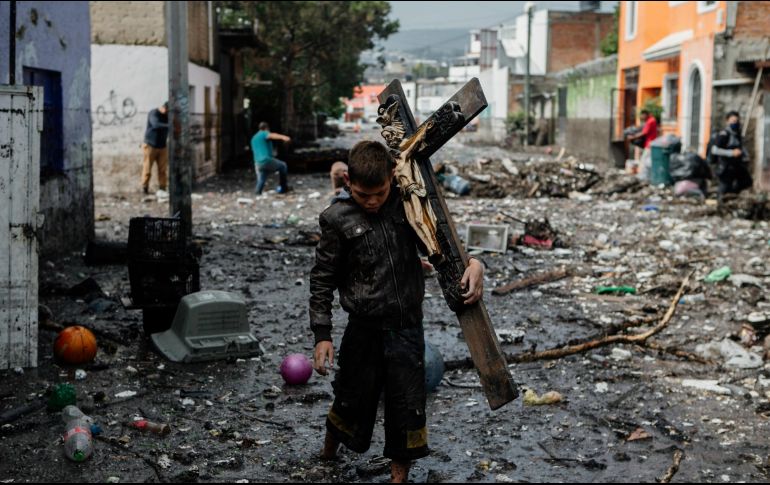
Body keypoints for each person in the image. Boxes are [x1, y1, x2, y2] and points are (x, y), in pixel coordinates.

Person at [309, 140, 485, 483]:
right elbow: (322, 280)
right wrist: (322, 335)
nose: (372, 202)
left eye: (379, 192)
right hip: (362, 327)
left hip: (406, 327)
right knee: (349, 398)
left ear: (392, 177)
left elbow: (443, 248)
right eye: (362, 195)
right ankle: (327, 455)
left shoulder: (410, 209)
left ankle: (398, 479)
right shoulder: (336, 218)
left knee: (407, 407)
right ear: (348, 183)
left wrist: (475, 262)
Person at [711, 111, 752, 198]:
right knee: (724, 187)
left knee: (746, 182)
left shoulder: (737, 134)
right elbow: (714, 150)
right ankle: (720, 203)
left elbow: (741, 147)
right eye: (733, 121)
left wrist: (745, 155)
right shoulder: (724, 134)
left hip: (736, 166)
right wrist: (731, 153)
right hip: (725, 167)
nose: (735, 123)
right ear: (727, 121)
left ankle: (731, 198)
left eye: (737, 121)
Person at [251, 122, 292, 195]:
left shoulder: (254, 138)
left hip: (257, 162)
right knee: (283, 166)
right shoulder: (263, 133)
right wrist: (284, 137)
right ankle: (283, 188)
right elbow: (272, 135)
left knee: (262, 178)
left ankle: (258, 192)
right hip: (266, 160)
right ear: (266, 128)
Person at [141, 102, 169, 195]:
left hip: (162, 146)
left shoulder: (168, 115)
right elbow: (155, 124)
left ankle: (162, 188)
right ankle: (144, 188)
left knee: (163, 170)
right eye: (167, 110)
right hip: (150, 145)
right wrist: (170, 125)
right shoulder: (154, 113)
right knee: (147, 168)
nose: (167, 112)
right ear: (163, 107)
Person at [626, 109, 658, 177]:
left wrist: (633, 137)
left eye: (642, 115)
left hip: (650, 144)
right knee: (647, 160)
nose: (641, 117)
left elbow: (644, 132)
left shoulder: (650, 121)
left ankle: (642, 176)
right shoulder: (651, 120)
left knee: (644, 160)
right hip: (650, 143)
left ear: (645, 114)